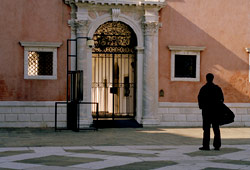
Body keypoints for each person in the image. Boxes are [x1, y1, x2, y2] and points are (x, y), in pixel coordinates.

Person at [198, 73, 224, 151]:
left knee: (206, 129)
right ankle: (217, 145)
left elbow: (200, 99)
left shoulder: (204, 88)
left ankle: (206, 146)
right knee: (216, 128)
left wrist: (202, 107)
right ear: (213, 78)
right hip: (215, 111)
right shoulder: (217, 88)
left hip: (206, 111)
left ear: (206, 78)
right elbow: (221, 99)